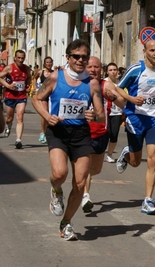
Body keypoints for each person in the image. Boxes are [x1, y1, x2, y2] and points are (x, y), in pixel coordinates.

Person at [31, 39, 105, 241]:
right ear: (68, 57)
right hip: (58, 131)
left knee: (80, 183)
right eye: (76, 56)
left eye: (84, 57)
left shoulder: (92, 83)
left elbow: (101, 115)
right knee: (59, 173)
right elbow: (36, 98)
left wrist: (94, 116)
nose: (80, 60)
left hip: (81, 134)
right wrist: (47, 117)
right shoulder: (56, 77)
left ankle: (66, 223)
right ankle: (56, 191)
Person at [114, 40, 155, 215]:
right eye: (152, 50)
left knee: (153, 158)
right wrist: (132, 99)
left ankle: (147, 200)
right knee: (135, 162)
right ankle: (127, 155)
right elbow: (118, 88)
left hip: (153, 119)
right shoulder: (136, 69)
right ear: (145, 52)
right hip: (135, 117)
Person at [82, 57, 124, 213]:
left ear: (102, 70)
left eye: (96, 67)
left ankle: (84, 186)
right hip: (83, 133)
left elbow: (121, 103)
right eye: (90, 66)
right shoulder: (80, 84)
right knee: (84, 168)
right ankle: (85, 195)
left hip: (101, 132)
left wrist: (111, 96)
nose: (93, 70)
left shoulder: (106, 84)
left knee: (95, 169)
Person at [0, 50, 32, 149]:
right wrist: (8, 86)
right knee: (9, 118)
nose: (20, 60)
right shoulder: (9, 68)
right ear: (15, 58)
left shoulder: (26, 69)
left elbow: (29, 78)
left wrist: (27, 86)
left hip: (21, 96)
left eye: (22, 58)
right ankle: (8, 126)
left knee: (20, 116)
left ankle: (18, 140)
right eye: (19, 58)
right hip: (10, 96)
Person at [105, 62, 124, 163]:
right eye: (110, 70)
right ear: (107, 72)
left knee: (114, 134)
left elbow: (125, 97)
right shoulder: (103, 82)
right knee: (105, 133)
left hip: (116, 112)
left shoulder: (121, 83)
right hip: (105, 112)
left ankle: (109, 154)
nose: (113, 72)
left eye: (114, 70)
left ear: (117, 71)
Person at [34, 56, 54, 144]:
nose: (49, 64)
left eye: (50, 62)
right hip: (43, 95)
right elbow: (34, 78)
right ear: (44, 64)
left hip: (52, 96)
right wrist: (35, 87)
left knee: (50, 113)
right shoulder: (40, 72)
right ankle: (43, 132)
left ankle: (48, 132)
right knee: (44, 113)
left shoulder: (55, 73)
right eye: (47, 62)